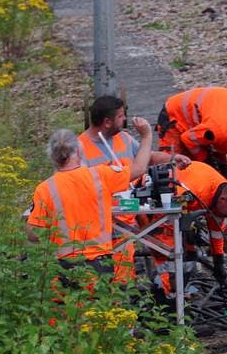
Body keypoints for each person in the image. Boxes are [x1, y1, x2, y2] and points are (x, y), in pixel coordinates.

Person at [79, 95, 191, 282]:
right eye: (121, 116)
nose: (125, 120)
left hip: (128, 218)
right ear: (107, 122)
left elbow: (145, 156)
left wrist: (172, 158)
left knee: (124, 272)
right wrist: (147, 135)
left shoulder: (123, 138)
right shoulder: (80, 148)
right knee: (103, 277)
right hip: (102, 225)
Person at [27, 119, 153, 281]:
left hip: (64, 266)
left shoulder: (45, 189)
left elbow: (34, 233)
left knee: (70, 306)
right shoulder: (101, 175)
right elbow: (139, 168)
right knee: (101, 305)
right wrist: (147, 136)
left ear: (52, 157)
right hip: (100, 262)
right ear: (79, 152)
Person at [143, 161, 227, 299]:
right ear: (223, 200)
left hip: (176, 205)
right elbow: (170, 207)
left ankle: (179, 293)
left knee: (189, 255)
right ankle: (165, 298)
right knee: (168, 254)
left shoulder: (222, 194)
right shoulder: (199, 190)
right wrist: (185, 231)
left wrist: (218, 261)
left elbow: (216, 232)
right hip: (155, 202)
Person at [155, 87, 227, 178]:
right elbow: (188, 139)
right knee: (175, 169)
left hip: (209, 122)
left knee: (220, 172)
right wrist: (206, 162)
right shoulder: (220, 130)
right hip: (175, 117)